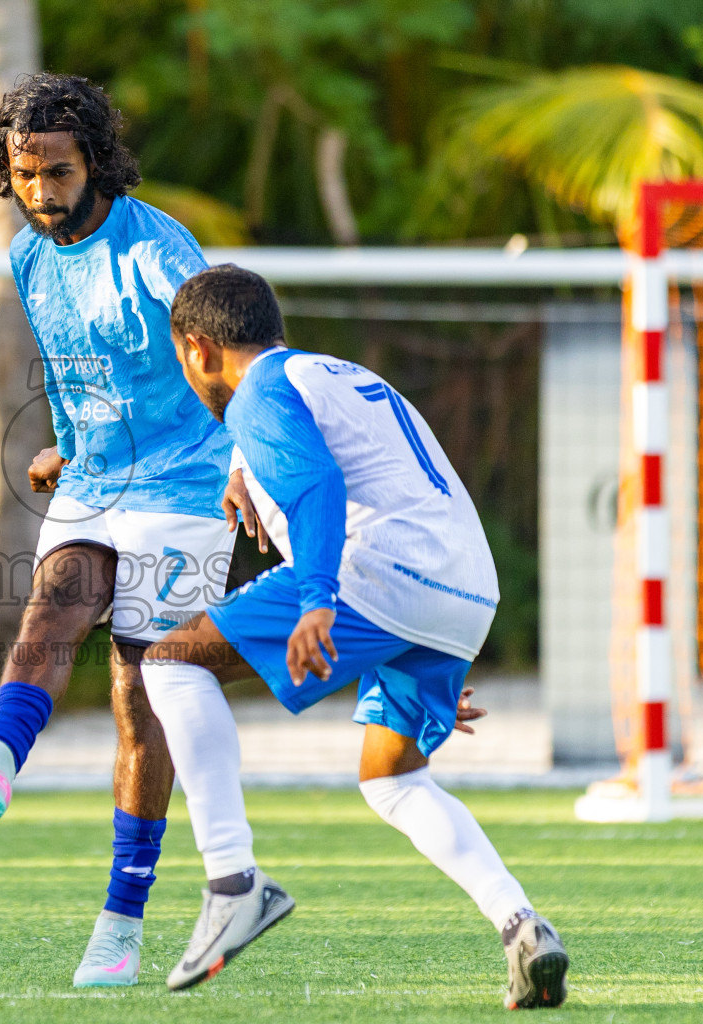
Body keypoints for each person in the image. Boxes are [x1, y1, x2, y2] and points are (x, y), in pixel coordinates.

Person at [0, 74, 260, 987]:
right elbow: (68, 363)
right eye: (26, 175)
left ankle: (121, 924)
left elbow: (232, 354)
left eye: (58, 172)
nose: (44, 193)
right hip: (95, 477)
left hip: (184, 482)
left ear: (93, 162)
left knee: (140, 696)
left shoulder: (156, 248)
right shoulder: (26, 256)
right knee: (48, 611)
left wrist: (252, 456)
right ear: (6, 172)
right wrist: (62, 437)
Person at [136, 265, 568, 1008]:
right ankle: (521, 925)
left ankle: (233, 882)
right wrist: (417, 634)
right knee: (394, 779)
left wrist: (317, 601)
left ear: (201, 349)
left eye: (184, 362)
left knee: (171, 663)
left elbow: (318, 487)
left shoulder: (261, 394)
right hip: (463, 589)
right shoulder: (332, 374)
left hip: (375, 574)